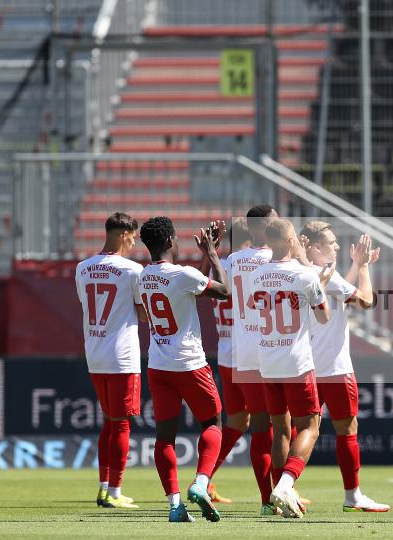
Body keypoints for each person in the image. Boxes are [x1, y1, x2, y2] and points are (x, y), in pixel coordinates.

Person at [138, 216, 230, 522]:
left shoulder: (142, 277)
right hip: (189, 363)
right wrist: (214, 255)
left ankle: (174, 506)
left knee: (164, 438)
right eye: (176, 239)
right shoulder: (182, 275)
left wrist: (203, 259)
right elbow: (223, 291)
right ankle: (201, 483)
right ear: (169, 242)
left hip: (158, 364)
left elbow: (191, 288)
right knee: (213, 423)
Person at [301, 221, 390, 512]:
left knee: (300, 430)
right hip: (335, 369)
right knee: (346, 429)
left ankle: (282, 488)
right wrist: (363, 267)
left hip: (305, 367)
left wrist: (355, 264)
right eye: (331, 242)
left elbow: (341, 293)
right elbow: (365, 300)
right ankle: (352, 495)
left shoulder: (307, 274)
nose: (337, 246)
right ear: (314, 247)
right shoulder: (321, 274)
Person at [250, 219, 331, 518]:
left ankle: (278, 501)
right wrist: (319, 284)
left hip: (267, 359)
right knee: (311, 424)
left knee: (280, 430)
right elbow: (323, 317)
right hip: (296, 360)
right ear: (291, 239)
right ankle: (286, 484)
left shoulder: (256, 276)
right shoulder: (305, 275)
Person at [74, 212, 146, 509]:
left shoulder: (82, 268)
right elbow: (143, 313)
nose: (133, 244)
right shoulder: (132, 270)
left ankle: (104, 487)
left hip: (95, 353)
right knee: (121, 424)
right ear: (122, 235)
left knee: (109, 422)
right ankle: (115, 491)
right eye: (132, 238)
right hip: (122, 355)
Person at [225, 205, 283, 515]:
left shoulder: (234, 259)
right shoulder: (273, 259)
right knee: (283, 427)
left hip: (242, 351)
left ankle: (266, 500)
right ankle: (283, 493)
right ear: (269, 224)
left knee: (260, 427)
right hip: (272, 348)